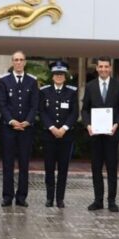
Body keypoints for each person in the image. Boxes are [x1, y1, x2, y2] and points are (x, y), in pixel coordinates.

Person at [82, 56, 119, 212]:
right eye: (100, 67)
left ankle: (112, 201)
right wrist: (87, 124)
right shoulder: (90, 86)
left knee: (112, 168)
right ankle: (98, 200)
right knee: (96, 169)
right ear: (97, 68)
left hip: (112, 134)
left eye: (106, 67)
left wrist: (117, 124)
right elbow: (85, 109)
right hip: (95, 134)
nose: (103, 69)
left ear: (110, 68)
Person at [0, 50, 39, 207]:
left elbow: (35, 105)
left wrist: (27, 121)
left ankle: (21, 197)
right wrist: (12, 121)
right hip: (9, 128)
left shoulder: (32, 81)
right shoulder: (3, 80)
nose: (19, 62)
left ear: (25, 62)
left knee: (24, 164)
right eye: (16, 60)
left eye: (21, 59)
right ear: (12, 62)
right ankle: (7, 196)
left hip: (26, 129)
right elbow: (2, 103)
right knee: (7, 163)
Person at [39, 60, 78, 208]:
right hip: (49, 136)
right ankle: (49, 198)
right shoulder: (44, 91)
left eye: (61, 74)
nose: (59, 76)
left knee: (63, 169)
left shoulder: (72, 91)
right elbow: (41, 111)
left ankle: (60, 198)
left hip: (66, 136)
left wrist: (64, 128)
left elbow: (74, 113)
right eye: (56, 74)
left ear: (65, 76)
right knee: (49, 168)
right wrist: (52, 127)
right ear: (52, 75)